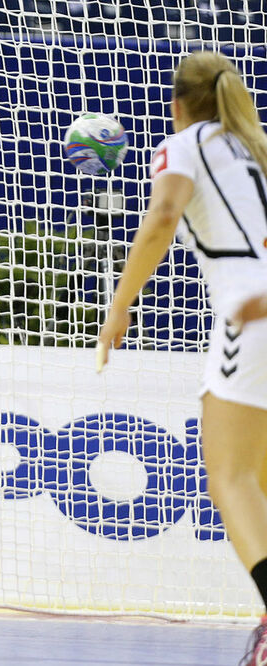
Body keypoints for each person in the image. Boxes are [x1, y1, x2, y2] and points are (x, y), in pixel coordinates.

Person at [95, 50, 267, 666]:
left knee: (228, 474)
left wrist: (119, 306)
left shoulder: (186, 144)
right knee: (260, 482)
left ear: (177, 104)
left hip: (251, 314)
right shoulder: (255, 150)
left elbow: (163, 216)